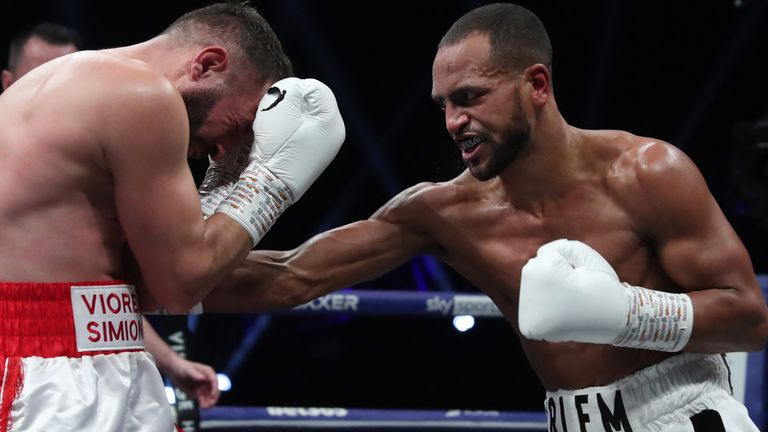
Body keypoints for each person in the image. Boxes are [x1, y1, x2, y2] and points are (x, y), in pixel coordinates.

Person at [204, 3, 768, 430]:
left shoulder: (647, 173)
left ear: (537, 85)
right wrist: (152, 269)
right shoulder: (444, 211)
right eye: (444, 104)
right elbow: (291, 275)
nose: (453, 121)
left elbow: (749, 318)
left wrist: (624, 311)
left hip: (688, 414)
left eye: (470, 97)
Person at [0, 2, 345, 431]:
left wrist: (225, 181)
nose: (231, 149)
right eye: (243, 123)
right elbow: (181, 284)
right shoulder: (143, 95)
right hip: (45, 368)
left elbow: (143, 285)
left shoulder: (80, 80)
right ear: (209, 63)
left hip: (92, 357)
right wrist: (269, 181)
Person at [2, 20, 221, 411]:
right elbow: (181, 282)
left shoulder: (95, 155)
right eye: (43, 73)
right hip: (27, 359)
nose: (59, 83)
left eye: (69, 71)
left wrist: (171, 362)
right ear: (10, 81)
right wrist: (266, 184)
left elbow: (92, 298)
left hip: (106, 360)